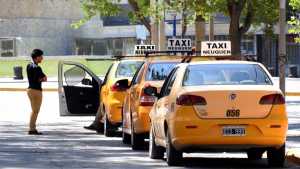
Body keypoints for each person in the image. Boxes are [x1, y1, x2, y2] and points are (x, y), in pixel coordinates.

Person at [26, 49, 47, 135]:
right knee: (35, 111)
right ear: (37, 57)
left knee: (33, 110)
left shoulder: (28, 65)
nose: (42, 58)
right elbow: (44, 78)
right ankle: (32, 129)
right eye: (41, 56)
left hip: (30, 90)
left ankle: (32, 128)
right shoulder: (37, 67)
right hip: (36, 91)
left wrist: (40, 79)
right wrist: (42, 78)